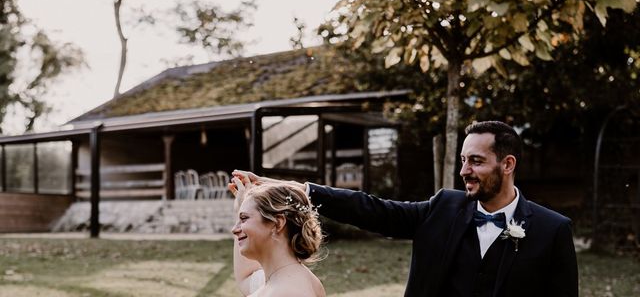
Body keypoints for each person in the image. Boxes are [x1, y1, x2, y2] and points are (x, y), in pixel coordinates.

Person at [235, 120, 579, 297]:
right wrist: (300, 190)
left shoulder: (552, 230)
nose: (464, 171)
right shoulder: (443, 207)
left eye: (476, 161)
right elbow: (372, 209)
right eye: (462, 160)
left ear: (507, 164)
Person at [229, 176, 326, 297]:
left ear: (278, 223)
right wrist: (241, 206)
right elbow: (245, 278)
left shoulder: (289, 292)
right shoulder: (282, 277)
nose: (234, 230)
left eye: (244, 218)